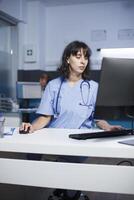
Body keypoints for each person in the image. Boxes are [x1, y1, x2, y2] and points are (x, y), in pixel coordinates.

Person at [20, 41, 122, 200]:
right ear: (68, 59)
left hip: (80, 143)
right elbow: (45, 117)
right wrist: (31, 127)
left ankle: (68, 192)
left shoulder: (94, 87)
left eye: (86, 57)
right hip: (56, 141)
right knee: (59, 173)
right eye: (78, 56)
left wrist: (107, 127)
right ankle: (67, 191)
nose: (83, 61)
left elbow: (98, 117)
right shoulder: (53, 86)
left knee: (69, 175)